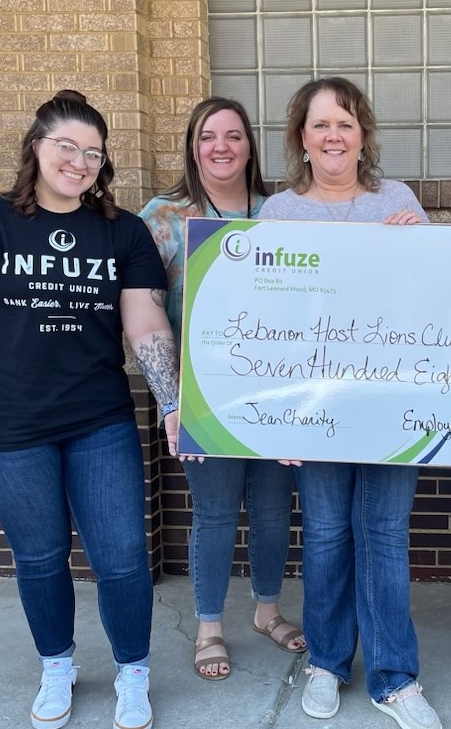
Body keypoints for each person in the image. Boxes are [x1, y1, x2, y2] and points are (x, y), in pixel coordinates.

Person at [0, 90, 178, 729]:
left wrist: (173, 405)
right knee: (39, 556)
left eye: (93, 152)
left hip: (100, 421)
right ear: (35, 147)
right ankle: (57, 665)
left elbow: (146, 324)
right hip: (10, 428)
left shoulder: (122, 232)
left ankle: (133, 672)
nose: (80, 161)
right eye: (66, 145)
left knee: (121, 555)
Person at [258, 77, 441, 729]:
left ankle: (395, 678)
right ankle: (328, 663)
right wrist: (276, 415)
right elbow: (262, 318)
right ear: (300, 140)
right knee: (329, 537)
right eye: (318, 125)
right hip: (316, 407)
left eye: (344, 123)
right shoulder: (277, 213)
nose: (332, 136)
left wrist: (418, 247)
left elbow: (432, 302)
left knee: (385, 538)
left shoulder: (396, 201)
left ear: (362, 134)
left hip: (390, 402)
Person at [139, 96, 306, 681]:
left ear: (250, 146)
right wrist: (170, 400)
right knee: (213, 512)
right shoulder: (163, 217)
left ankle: (267, 612)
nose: (221, 147)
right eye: (209, 136)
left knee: (270, 507)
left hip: (277, 393)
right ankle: (209, 627)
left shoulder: (282, 210)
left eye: (234, 136)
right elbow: (143, 312)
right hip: (201, 394)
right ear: (192, 145)